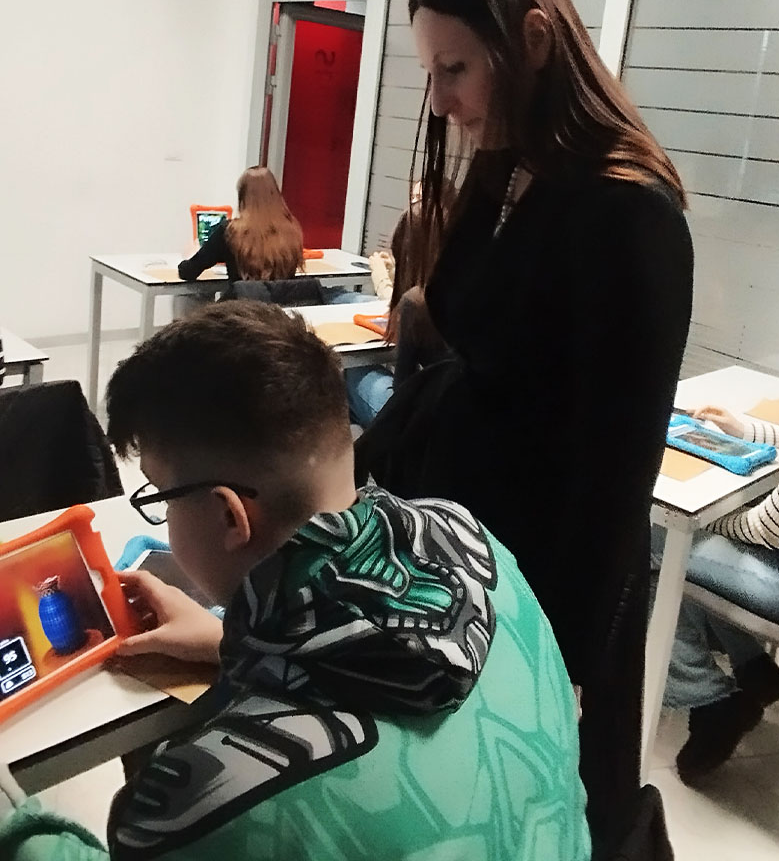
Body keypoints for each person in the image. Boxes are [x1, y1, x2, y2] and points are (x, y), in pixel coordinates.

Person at [0, 302, 591, 861]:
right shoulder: (475, 547)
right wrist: (228, 641)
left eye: (159, 496)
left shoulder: (209, 798)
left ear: (230, 515)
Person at [354, 0, 694, 859]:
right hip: (465, 551)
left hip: (543, 584)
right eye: (432, 72)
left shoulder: (629, 211)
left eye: (456, 69)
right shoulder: (511, 170)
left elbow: (616, 471)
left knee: (539, 812)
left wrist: (569, 661)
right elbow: (473, 314)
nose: (441, 99)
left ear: (535, 41)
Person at [652, 286, 779, 785]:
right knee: (673, 550)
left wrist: (701, 521)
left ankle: (711, 702)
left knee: (654, 545)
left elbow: (768, 529)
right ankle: (753, 668)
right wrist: (745, 429)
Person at [347, 183, 453, 426]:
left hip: (430, 420)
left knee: (353, 373)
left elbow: (403, 387)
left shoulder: (415, 303)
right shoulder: (464, 286)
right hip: (462, 411)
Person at [177, 166, 303, 284]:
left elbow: (188, 272)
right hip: (279, 301)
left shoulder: (230, 232)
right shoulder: (291, 231)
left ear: (242, 198)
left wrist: (193, 255)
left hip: (240, 301)